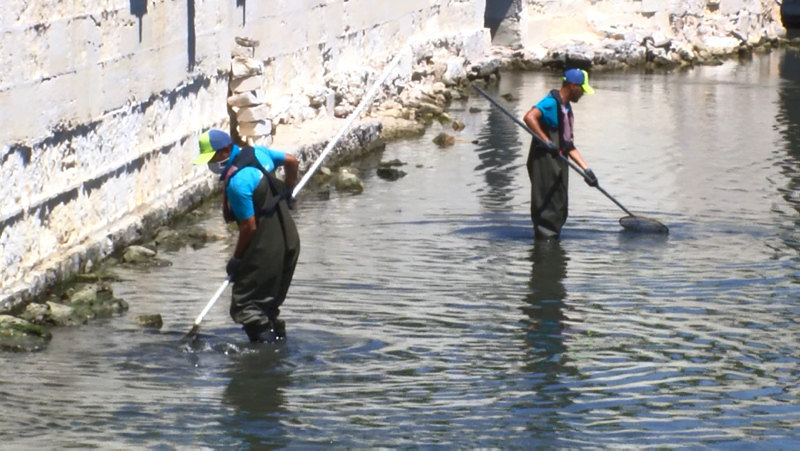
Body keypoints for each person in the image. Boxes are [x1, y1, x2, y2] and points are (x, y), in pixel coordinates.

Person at [192, 129, 301, 343]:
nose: (210, 164)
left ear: (225, 150)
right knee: (268, 302)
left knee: (246, 304)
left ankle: (264, 355)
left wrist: (237, 258)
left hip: (266, 247)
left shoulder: (238, 183)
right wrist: (288, 190)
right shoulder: (259, 153)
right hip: (289, 239)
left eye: (212, 158)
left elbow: (249, 227)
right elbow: (292, 160)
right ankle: (277, 344)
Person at [522, 68, 597, 239]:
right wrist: (547, 141)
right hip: (544, 160)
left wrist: (587, 170)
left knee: (560, 203)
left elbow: (568, 145)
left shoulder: (566, 109)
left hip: (559, 159)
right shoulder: (551, 103)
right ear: (572, 86)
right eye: (582, 89)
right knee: (547, 204)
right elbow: (529, 117)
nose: (583, 94)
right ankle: (544, 244)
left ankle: (552, 239)